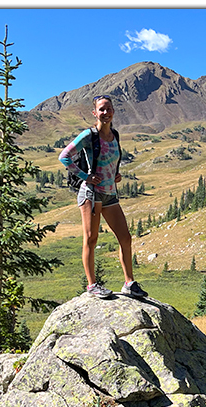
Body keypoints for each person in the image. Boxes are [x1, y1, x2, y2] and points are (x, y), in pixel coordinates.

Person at [59, 95, 147, 300]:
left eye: (108, 109)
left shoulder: (115, 135)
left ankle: (129, 283)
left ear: (113, 111)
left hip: (110, 194)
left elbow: (111, 160)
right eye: (101, 109)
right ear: (94, 113)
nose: (105, 113)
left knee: (125, 237)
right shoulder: (88, 135)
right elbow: (64, 156)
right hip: (91, 193)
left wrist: (116, 173)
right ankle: (92, 286)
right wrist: (85, 176)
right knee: (91, 239)